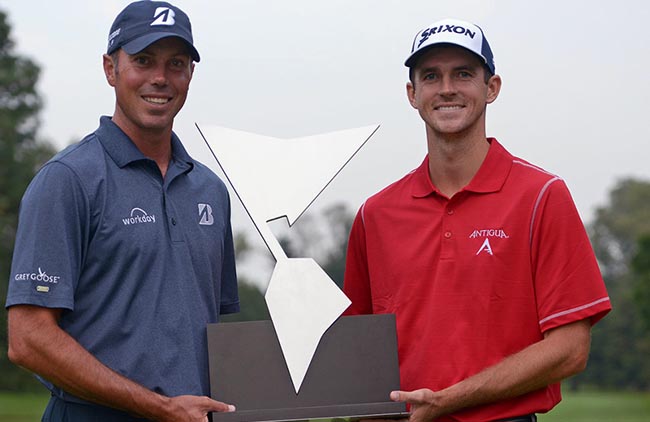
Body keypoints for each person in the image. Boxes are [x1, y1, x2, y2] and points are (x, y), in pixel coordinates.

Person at [343, 18, 611, 422]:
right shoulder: (374, 214)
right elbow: (357, 349)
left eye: (463, 74)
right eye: (431, 76)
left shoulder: (542, 196)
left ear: (492, 88)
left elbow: (571, 348)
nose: (447, 88)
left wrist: (453, 399)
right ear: (412, 94)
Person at [5, 2, 239, 421]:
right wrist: (160, 408)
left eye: (177, 64)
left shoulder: (212, 191)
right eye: (143, 60)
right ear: (110, 69)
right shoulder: (67, 180)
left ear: (190, 75)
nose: (160, 78)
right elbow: (27, 339)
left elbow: (212, 336)